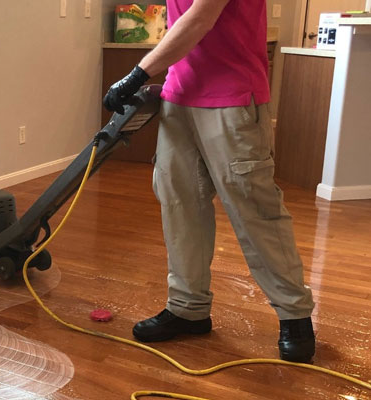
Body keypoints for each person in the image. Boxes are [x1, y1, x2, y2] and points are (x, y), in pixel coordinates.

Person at [103, 0, 315, 363]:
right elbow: (180, 24)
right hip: (179, 97)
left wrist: (137, 74)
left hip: (232, 100)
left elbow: (201, 18)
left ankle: (294, 314)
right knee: (179, 205)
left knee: (255, 210)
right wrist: (162, 80)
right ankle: (188, 307)